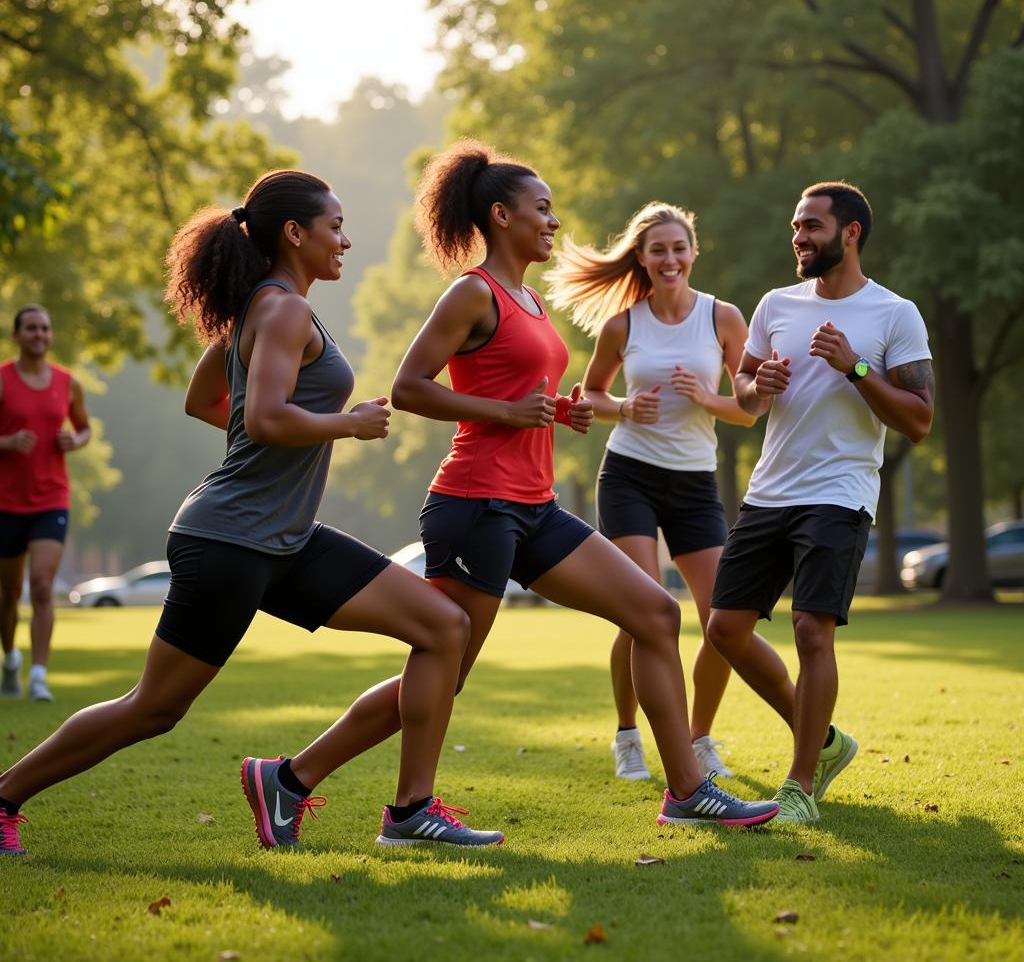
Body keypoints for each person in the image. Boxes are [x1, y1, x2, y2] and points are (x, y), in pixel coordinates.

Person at [0, 169, 503, 857]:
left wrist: (281, 440)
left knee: (444, 627)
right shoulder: (284, 310)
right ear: (295, 233)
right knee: (154, 708)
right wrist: (344, 425)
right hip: (231, 540)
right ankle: (3, 799)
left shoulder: (264, 308)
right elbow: (262, 418)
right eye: (335, 227)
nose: (346, 241)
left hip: (283, 539)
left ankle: (403, 808)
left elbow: (209, 401)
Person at [391, 139, 779, 828]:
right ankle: (371, 798)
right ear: (502, 215)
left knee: (655, 614)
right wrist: (509, 413)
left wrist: (567, 410)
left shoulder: (530, 301)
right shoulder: (472, 292)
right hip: (477, 502)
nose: (554, 222)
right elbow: (409, 388)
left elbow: (530, 391)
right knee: (446, 666)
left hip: (534, 505)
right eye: (543, 210)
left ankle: (687, 792)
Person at [706, 181, 933, 824]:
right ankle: (828, 741)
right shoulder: (777, 303)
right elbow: (745, 393)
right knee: (724, 629)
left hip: (840, 492)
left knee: (811, 630)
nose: (799, 237)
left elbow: (919, 421)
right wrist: (758, 385)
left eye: (811, 226)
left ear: (850, 233)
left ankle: (800, 785)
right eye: (796, 226)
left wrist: (857, 369)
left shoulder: (895, 314)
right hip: (770, 490)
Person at [545, 203, 756, 783]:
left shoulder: (723, 319)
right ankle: (628, 736)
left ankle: (701, 737)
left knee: (721, 621)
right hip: (630, 476)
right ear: (642, 257)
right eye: (658, 250)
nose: (670, 259)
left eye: (678, 248)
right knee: (640, 614)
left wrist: (708, 398)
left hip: (694, 483)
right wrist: (623, 407)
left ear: (693, 253)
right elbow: (588, 395)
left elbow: (749, 409)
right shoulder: (624, 324)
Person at [0, 305, 91, 703]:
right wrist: (6, 443)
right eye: (31, 328)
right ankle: (10, 660)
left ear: (50, 336)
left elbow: (84, 427)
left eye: (44, 328)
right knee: (7, 597)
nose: (39, 334)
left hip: (52, 498)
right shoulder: (2, 380)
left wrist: (77, 439)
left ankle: (39, 676)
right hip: (5, 501)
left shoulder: (67, 383)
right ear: (17, 336)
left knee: (41, 586)